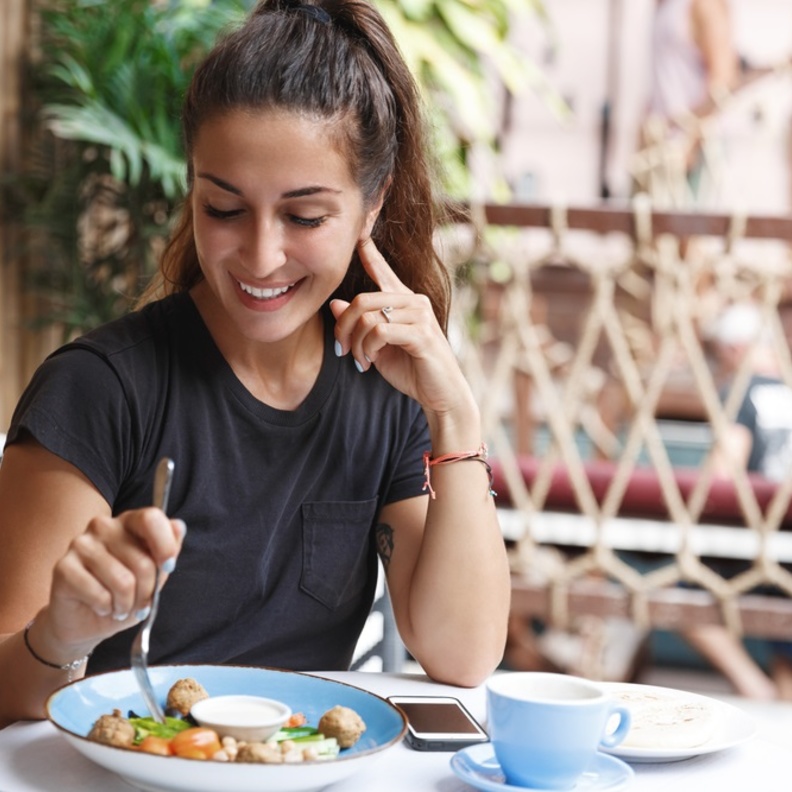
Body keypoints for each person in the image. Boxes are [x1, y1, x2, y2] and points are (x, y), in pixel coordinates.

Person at [0, 0, 511, 727]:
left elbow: (463, 655)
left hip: (301, 765)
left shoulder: (382, 388)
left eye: (304, 217)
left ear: (372, 207)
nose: (262, 256)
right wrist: (62, 633)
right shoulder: (99, 389)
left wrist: (453, 413)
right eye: (224, 209)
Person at [682, 302, 792, 700]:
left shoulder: (741, 391)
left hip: (760, 537)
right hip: (786, 542)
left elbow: (723, 474)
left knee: (684, 598)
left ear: (734, 349)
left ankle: (754, 689)